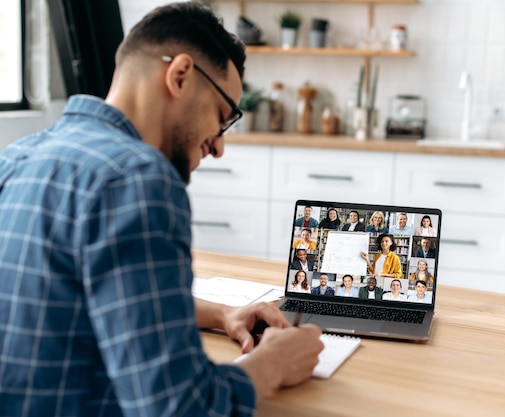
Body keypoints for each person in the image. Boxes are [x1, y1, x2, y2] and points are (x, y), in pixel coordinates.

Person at [0, 4, 324, 416]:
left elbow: (92, 297)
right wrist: (273, 363)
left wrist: (221, 314)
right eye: (222, 117)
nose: (219, 145)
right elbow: (180, 408)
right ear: (181, 75)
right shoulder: (137, 179)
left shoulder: (17, 157)